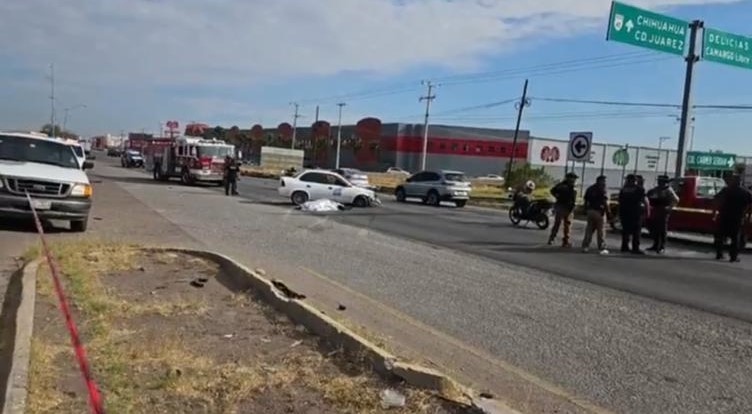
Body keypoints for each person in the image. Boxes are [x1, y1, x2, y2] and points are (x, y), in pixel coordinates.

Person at [713, 175, 752, 262]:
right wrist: (748, 216)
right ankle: (733, 257)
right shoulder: (745, 192)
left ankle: (719, 254)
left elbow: (716, 200)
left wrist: (715, 213)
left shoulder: (726, 190)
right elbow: (750, 206)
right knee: (735, 238)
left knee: (720, 236)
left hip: (724, 216)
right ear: (740, 182)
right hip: (737, 217)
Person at [646, 175, 679, 254]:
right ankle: (655, 244)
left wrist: (669, 207)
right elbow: (649, 196)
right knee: (654, 228)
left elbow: (676, 200)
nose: (659, 182)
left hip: (663, 211)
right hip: (655, 211)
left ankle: (662, 246)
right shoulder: (655, 189)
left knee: (662, 229)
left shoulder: (668, 190)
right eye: (659, 181)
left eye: (661, 181)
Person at [618, 174, 649, 254]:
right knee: (636, 231)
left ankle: (624, 246)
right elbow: (643, 200)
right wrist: (645, 211)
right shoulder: (639, 189)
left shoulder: (624, 189)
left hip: (624, 213)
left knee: (626, 230)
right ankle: (635, 248)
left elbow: (620, 201)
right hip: (635, 213)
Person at [581, 175, 610, 254]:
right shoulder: (602, 189)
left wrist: (585, 209)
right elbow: (605, 201)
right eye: (604, 181)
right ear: (600, 181)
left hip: (590, 211)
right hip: (599, 211)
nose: (605, 182)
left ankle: (585, 246)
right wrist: (608, 212)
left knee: (589, 230)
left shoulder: (590, 189)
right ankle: (602, 247)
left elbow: (586, 200)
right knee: (601, 231)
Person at [548, 173, 578, 247]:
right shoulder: (563, 186)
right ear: (568, 178)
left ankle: (564, 241)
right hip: (562, 206)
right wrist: (558, 197)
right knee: (559, 224)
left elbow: (552, 191)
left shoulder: (567, 186)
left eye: (574, 178)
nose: (574, 180)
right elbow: (552, 191)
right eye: (573, 178)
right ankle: (553, 239)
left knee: (566, 225)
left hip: (567, 207)